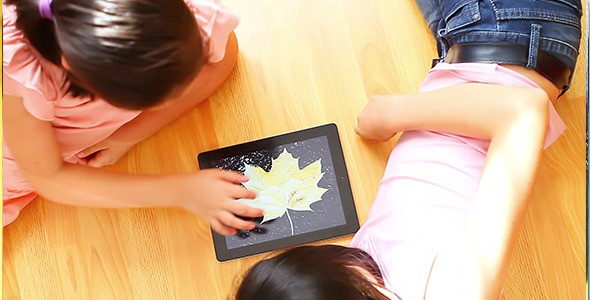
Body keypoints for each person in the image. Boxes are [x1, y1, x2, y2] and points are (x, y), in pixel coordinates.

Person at [234, 0, 583, 299]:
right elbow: (524, 110)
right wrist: (392, 114)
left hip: (466, 46)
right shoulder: (455, 290)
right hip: (511, 31)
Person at [2, 0, 264, 235]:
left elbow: (223, 57)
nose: (179, 97)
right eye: (158, 98)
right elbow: (48, 177)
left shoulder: (165, 16)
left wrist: (131, 134)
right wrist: (181, 191)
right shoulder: (21, 76)